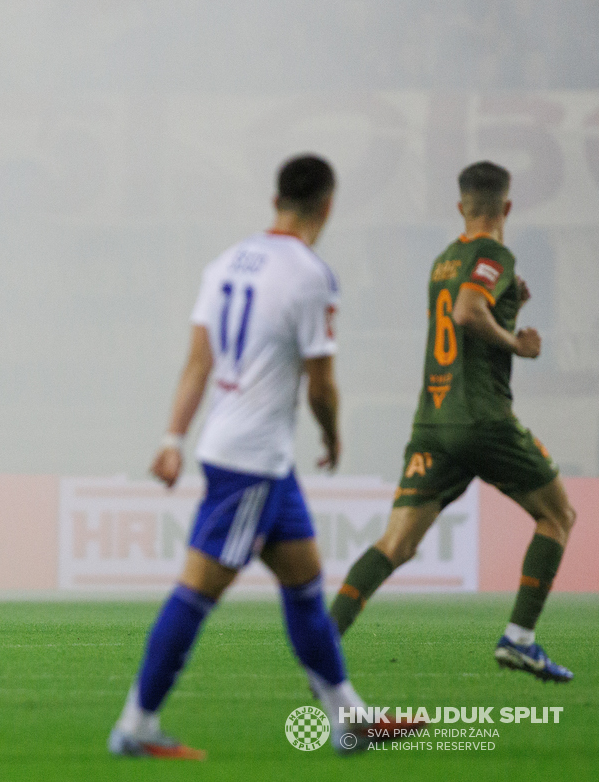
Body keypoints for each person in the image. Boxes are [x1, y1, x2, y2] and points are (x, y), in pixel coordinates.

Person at [109, 155, 423, 759]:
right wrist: (333, 435)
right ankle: (136, 725)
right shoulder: (310, 275)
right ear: (327, 206)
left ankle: (349, 718)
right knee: (196, 592)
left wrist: (173, 439)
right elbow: (321, 382)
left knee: (305, 583)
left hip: (255, 457)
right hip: (252, 459)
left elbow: (197, 363)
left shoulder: (225, 263)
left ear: (275, 198)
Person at [329, 161, 575, 682]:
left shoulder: (445, 260)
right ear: (506, 207)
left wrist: (506, 304)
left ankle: (324, 644)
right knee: (559, 516)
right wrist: (517, 343)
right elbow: (467, 312)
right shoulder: (495, 254)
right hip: (481, 419)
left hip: (432, 422)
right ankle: (519, 639)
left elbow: (462, 308)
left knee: (394, 545)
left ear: (460, 207)